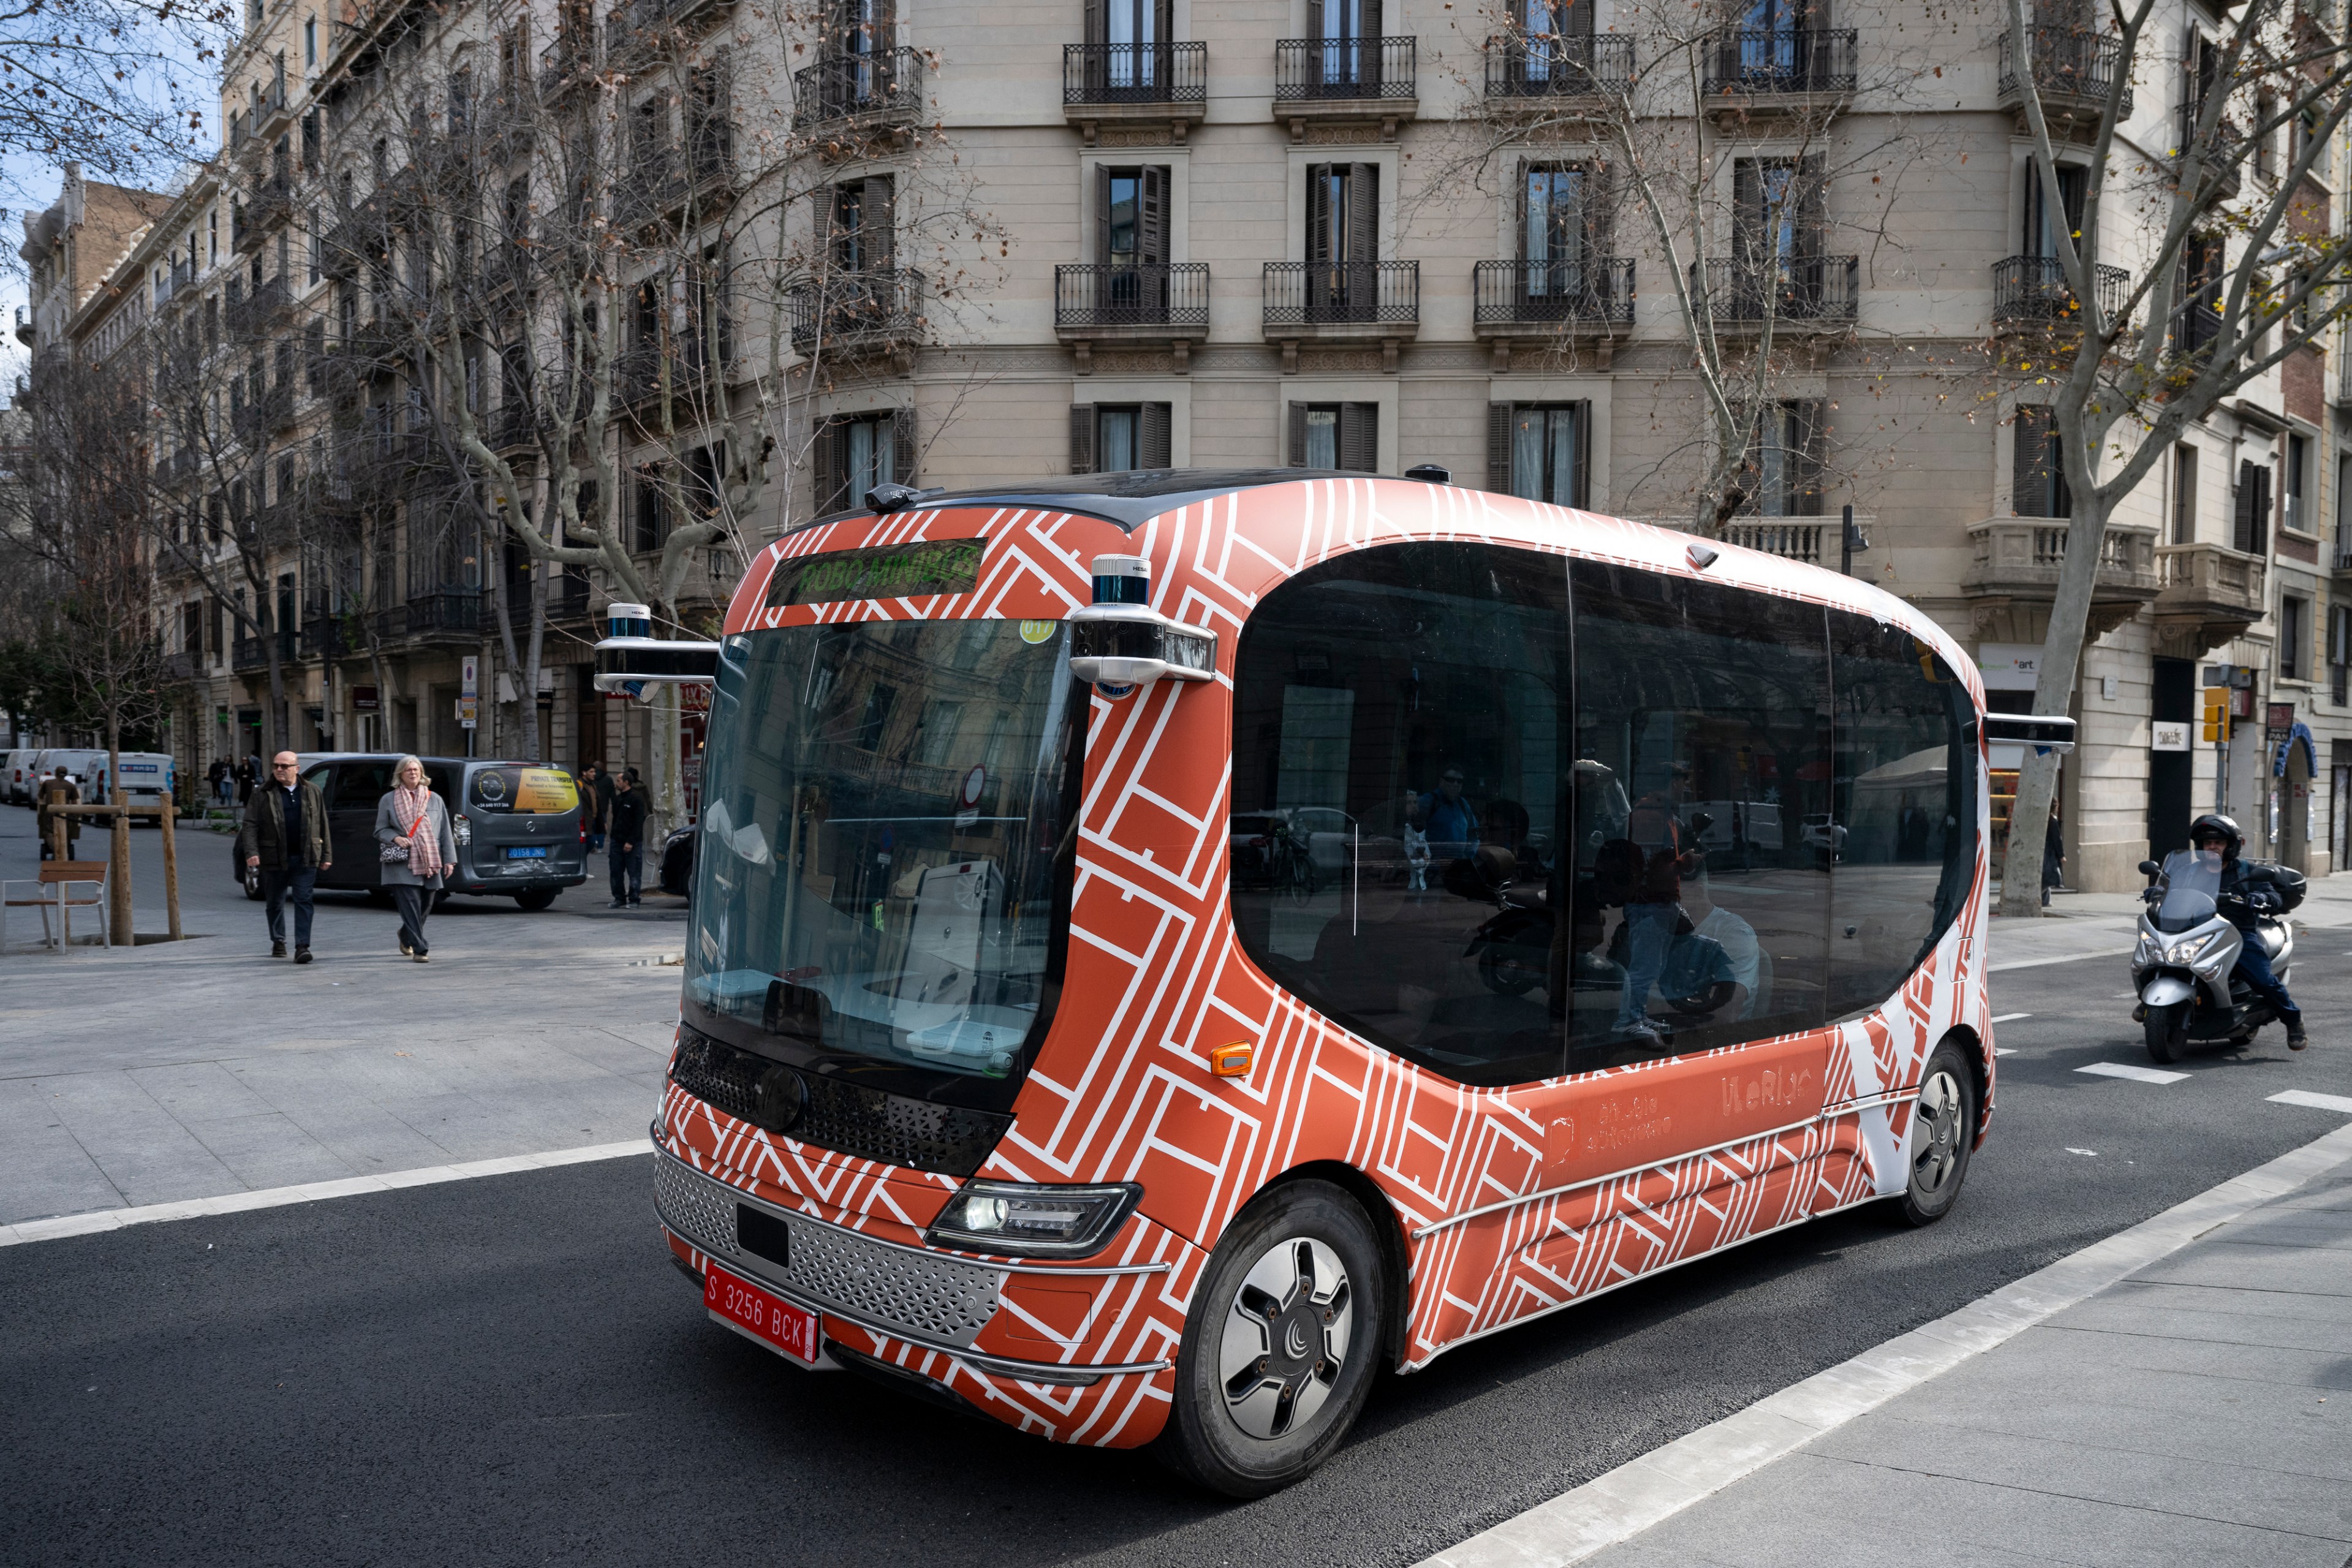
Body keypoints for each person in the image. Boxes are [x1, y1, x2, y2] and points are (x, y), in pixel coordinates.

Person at [2190, 813, 2307, 1051]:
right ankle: (2152, 1001)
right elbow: (2172, 888)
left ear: (2230, 845)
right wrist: (2158, 890)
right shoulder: (2191, 872)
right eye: (2207, 843)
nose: (2212, 847)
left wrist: (2261, 896)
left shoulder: (2247, 871)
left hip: (2237, 934)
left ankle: (2293, 1020)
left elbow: (2273, 895)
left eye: (2218, 842)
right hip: (2197, 933)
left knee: (2263, 979)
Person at [1616, 762, 1701, 1044]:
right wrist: (1685, 863)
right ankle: (1628, 1023)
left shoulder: (1661, 813)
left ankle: (1638, 1017)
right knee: (1643, 969)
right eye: (1682, 782)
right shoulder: (1651, 815)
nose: (1685, 788)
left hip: (1658, 904)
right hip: (1650, 904)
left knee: (1650, 967)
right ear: (1672, 783)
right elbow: (1649, 867)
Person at [238, 752, 333, 962]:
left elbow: (322, 823)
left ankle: (302, 946)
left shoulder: (312, 790)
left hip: (305, 857)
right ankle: (278, 940)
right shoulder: (263, 793)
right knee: (275, 902)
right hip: (273, 856)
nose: (279, 769)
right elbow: (250, 825)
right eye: (276, 766)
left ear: (296, 768)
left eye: (284, 766)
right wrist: (252, 852)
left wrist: (326, 854)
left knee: (304, 900)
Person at [376, 755, 456, 962]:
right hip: (403, 862)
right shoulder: (389, 799)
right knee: (410, 904)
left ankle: (405, 935)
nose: (413, 773)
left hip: (430, 859)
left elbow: (445, 831)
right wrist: (395, 837)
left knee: (426, 904)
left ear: (421, 773)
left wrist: (449, 860)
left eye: (416, 769)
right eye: (408, 770)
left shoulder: (434, 798)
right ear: (400, 775)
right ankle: (421, 949)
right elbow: (380, 830)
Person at [1412, 765, 1480, 853]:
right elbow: (1412, 832)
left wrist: (1468, 856)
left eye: (1459, 781)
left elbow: (1473, 833)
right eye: (1451, 780)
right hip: (1433, 864)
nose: (1455, 784)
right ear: (1441, 781)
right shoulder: (1428, 801)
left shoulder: (1463, 804)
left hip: (1458, 864)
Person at [608, 767, 648, 907]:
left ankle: (634, 899)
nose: (616, 783)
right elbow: (616, 819)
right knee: (616, 871)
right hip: (617, 841)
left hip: (632, 842)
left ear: (626, 782)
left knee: (634, 872)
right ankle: (619, 898)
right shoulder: (618, 799)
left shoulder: (636, 799)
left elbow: (638, 822)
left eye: (619, 781)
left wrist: (631, 841)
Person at [35, 766, 80, 861]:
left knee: (49, 831)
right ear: (66, 774)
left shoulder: (47, 783)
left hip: (50, 811)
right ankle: (62, 848)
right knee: (65, 831)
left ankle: (55, 849)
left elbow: (40, 797)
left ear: (55, 773)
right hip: (65, 812)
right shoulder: (71, 786)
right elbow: (75, 802)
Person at [2041, 799, 2065, 908]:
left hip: (2043, 852)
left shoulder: (2043, 819)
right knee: (2049, 878)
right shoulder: (2052, 821)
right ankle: (2042, 898)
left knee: (2045, 876)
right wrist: (2061, 855)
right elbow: (2057, 840)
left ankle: (2046, 901)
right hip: (2049, 854)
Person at [580, 761, 608, 851]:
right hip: (586, 819)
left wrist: (603, 821)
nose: (594, 774)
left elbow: (597, 803)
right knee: (590, 842)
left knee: (591, 842)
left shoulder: (593, 785)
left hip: (595, 819)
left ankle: (582, 859)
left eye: (594, 772)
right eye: (591, 772)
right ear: (584, 773)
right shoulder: (580, 785)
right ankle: (581, 859)